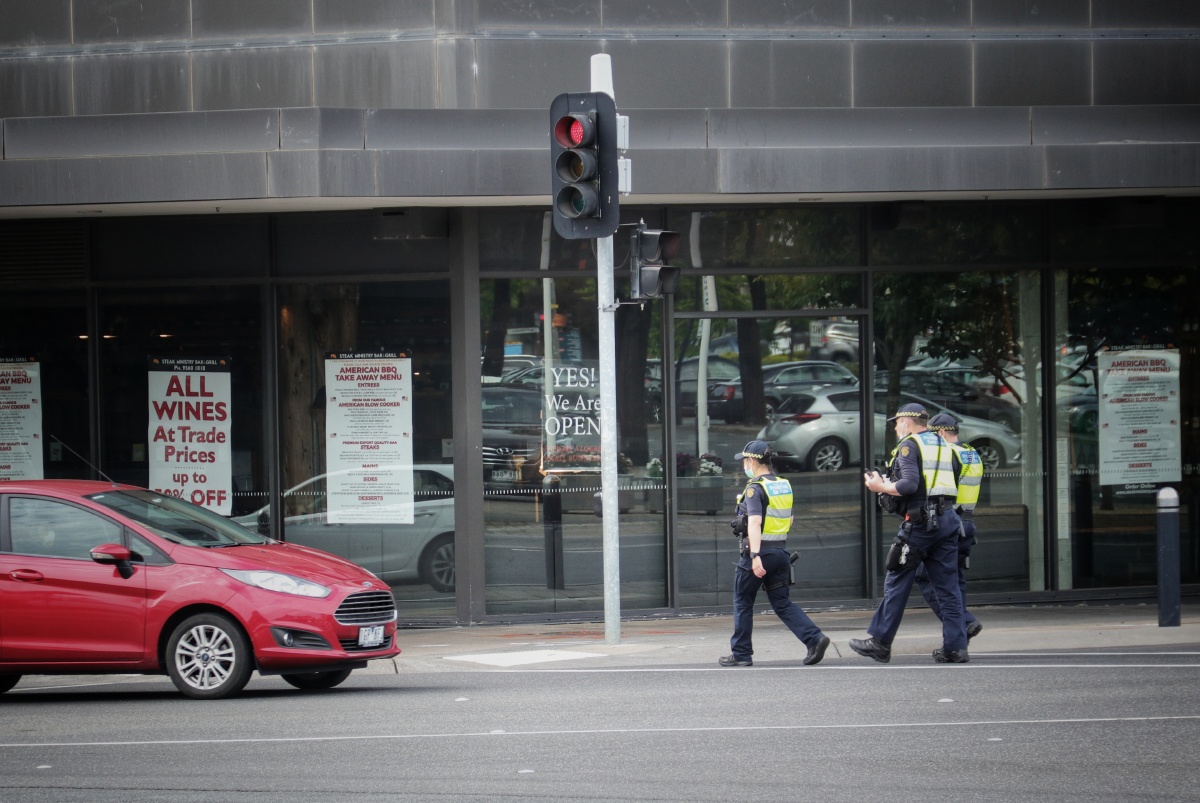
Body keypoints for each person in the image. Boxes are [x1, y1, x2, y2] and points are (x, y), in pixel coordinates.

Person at [853, 403, 969, 664]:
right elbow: (955, 475)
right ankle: (956, 647)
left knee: (897, 577)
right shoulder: (944, 445)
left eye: (897, 422)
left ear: (907, 421)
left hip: (922, 523)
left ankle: (880, 642)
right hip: (948, 519)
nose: (895, 427)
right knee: (948, 587)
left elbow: (909, 484)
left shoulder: (909, 445)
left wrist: (879, 485)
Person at [719, 440, 830, 668]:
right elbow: (789, 519)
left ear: (752, 460)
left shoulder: (754, 488)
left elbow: (755, 523)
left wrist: (755, 555)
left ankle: (741, 654)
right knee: (782, 603)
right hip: (780, 552)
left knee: (743, 600)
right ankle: (814, 638)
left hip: (760, 554)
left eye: (745, 461)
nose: (744, 466)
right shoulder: (783, 485)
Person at [917, 412, 984, 641]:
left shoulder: (948, 454)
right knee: (956, 580)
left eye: (934, 436)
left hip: (951, 522)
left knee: (926, 575)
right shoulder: (971, 452)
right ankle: (959, 634)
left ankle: (964, 623)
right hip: (968, 521)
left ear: (943, 432)